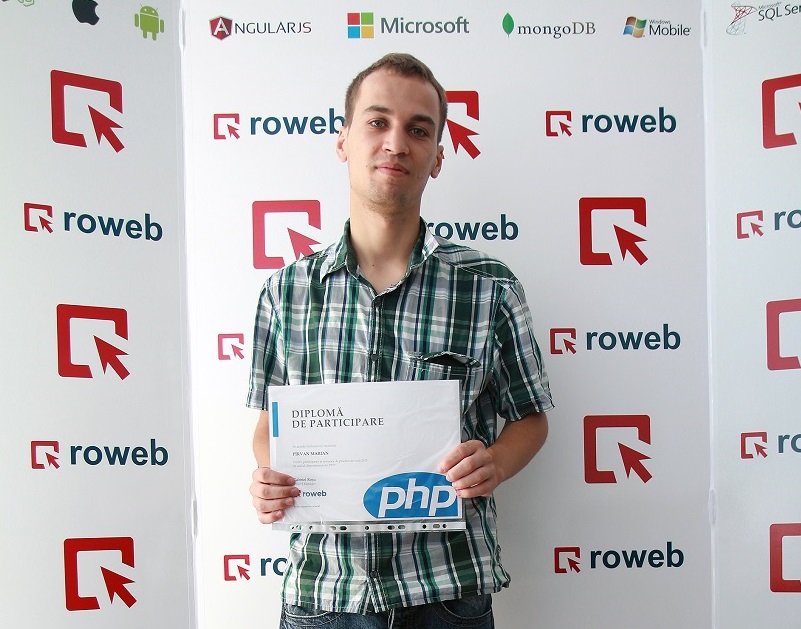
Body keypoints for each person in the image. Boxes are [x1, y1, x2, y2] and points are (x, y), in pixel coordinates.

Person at [247, 52, 553, 629]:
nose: (396, 143)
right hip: (325, 595)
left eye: (418, 129)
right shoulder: (285, 293)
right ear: (343, 141)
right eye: (377, 121)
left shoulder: (488, 286)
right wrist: (272, 478)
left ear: (437, 156)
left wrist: (494, 463)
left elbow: (531, 419)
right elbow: (269, 426)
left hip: (447, 593)